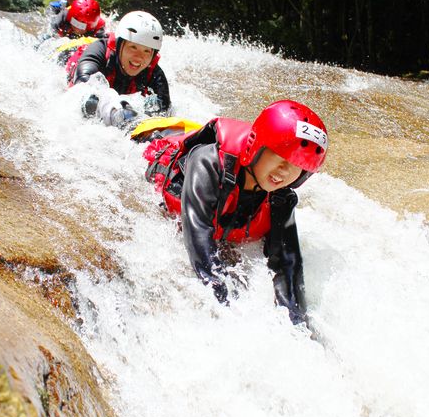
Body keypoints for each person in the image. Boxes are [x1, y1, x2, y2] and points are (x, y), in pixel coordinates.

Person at [136, 100, 328, 327]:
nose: (284, 172)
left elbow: (287, 267)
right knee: (128, 122)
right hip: (157, 142)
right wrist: (224, 301)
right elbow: (198, 234)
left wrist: (298, 324)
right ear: (258, 148)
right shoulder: (207, 163)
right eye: (280, 156)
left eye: (296, 165)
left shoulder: (280, 199)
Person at [69, 10, 171, 122]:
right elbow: (83, 89)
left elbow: (164, 111)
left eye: (147, 51)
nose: (139, 57)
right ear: (119, 44)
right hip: (73, 61)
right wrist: (114, 111)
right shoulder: (99, 51)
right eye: (133, 47)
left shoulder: (154, 73)